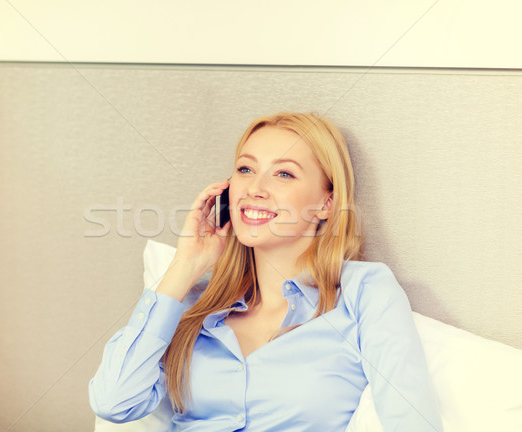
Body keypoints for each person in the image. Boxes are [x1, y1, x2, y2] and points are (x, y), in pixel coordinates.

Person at [88, 112, 443, 431]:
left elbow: (411, 420)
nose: (255, 189)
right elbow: (114, 402)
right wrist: (186, 266)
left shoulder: (363, 291)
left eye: (284, 173)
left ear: (326, 204)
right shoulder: (192, 304)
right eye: (245, 169)